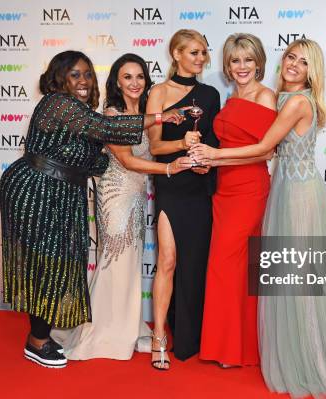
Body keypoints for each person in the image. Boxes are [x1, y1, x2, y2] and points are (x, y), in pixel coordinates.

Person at [190, 39, 326, 398]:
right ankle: (291, 351)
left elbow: (263, 148)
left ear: (311, 71)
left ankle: (313, 362)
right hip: (284, 189)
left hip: (299, 194)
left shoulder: (296, 101)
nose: (293, 65)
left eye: (303, 63)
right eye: (290, 57)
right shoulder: (281, 96)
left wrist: (212, 155)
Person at [0, 50, 186, 369]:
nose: (83, 80)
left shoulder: (78, 110)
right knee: (47, 262)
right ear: (59, 78)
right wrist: (160, 117)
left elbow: (93, 158)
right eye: (75, 74)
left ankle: (43, 335)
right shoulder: (58, 103)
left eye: (87, 74)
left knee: (60, 262)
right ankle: (37, 341)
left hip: (64, 190)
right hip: (37, 188)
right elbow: (105, 128)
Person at [50, 54, 192, 360]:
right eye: (127, 77)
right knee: (114, 260)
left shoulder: (149, 112)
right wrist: (170, 170)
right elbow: (127, 160)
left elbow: (156, 148)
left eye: (140, 76)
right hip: (115, 194)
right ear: (117, 81)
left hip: (138, 195)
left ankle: (126, 326)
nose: (135, 83)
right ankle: (103, 329)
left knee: (129, 263)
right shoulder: (112, 114)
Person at [199, 33, 276, 368]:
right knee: (228, 269)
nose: (242, 66)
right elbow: (228, 149)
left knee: (229, 266)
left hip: (249, 189)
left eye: (248, 59)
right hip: (224, 189)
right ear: (227, 66)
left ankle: (234, 349)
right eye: (235, 60)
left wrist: (216, 157)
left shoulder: (265, 96)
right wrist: (210, 161)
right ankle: (230, 346)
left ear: (258, 62)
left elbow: (265, 150)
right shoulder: (230, 98)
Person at [146, 29, 220, 370]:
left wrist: (208, 161)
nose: (200, 59)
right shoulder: (158, 93)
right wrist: (181, 144)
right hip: (171, 182)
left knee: (194, 264)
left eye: (204, 53)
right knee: (168, 260)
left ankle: (191, 336)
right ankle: (159, 337)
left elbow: (216, 142)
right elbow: (155, 146)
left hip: (199, 187)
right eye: (193, 52)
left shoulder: (210, 94)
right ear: (176, 54)